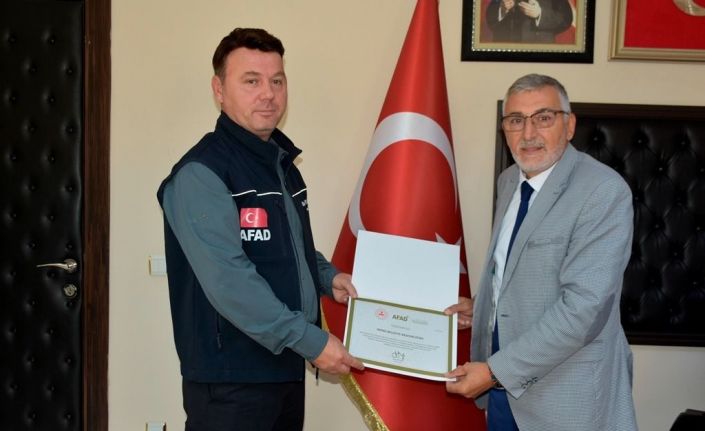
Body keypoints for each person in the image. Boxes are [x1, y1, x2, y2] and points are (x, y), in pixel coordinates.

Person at [156, 28, 364, 431]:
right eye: (251, 81)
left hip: (283, 366)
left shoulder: (278, 164)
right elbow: (230, 279)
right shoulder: (202, 172)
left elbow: (288, 246)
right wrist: (311, 341)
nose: (268, 94)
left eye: (277, 81)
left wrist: (327, 277)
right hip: (231, 382)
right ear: (219, 89)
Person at [444, 74, 638, 431]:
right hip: (503, 394)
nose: (528, 133)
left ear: (569, 125)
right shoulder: (509, 181)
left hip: (566, 400)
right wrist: (485, 308)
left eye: (543, 118)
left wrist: (495, 372)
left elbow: (584, 309)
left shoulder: (602, 191)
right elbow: (519, 270)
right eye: (516, 120)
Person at [485, 0, 573, 43]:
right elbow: (490, 18)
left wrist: (540, 14)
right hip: (506, 52)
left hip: (539, 52)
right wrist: (501, 9)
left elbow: (566, 19)